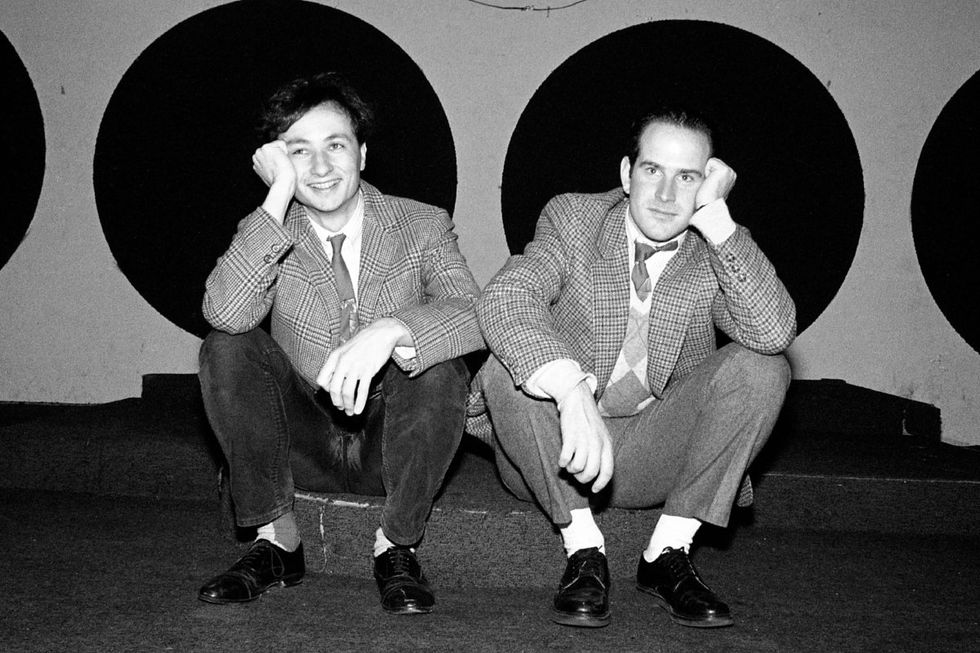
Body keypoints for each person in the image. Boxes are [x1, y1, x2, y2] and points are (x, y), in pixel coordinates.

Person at [475, 107, 796, 628]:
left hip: (649, 452)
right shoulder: (574, 219)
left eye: (686, 177)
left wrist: (716, 220)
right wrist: (570, 392)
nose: (667, 195)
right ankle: (583, 551)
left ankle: (667, 554)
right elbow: (508, 296)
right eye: (653, 171)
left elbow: (774, 332)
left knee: (764, 367)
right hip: (551, 449)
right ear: (627, 174)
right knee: (502, 367)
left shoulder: (716, 244)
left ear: (707, 184)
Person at [197, 72, 483, 615]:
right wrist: (278, 196)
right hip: (299, 440)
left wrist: (393, 329)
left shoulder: (420, 224)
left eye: (335, 146)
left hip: (389, 439)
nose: (321, 167)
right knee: (226, 346)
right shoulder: (265, 228)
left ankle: (396, 547)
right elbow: (224, 312)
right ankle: (276, 541)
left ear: (363, 154)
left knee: (439, 365)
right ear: (277, 163)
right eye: (299, 152)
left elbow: (475, 315)